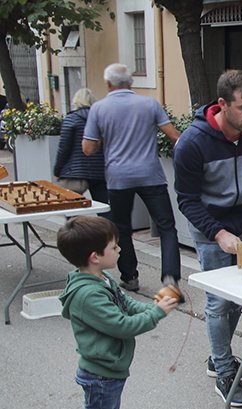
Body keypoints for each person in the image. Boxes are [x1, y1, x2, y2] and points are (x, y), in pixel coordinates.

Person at [173, 69, 242, 407]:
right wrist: (217, 233)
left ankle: (220, 357)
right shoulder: (192, 143)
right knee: (218, 301)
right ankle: (224, 370)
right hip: (209, 228)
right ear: (222, 105)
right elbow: (186, 199)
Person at [57, 215, 179, 409]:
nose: (120, 249)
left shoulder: (102, 278)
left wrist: (154, 306)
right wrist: (156, 314)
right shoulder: (89, 295)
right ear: (95, 257)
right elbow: (122, 325)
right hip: (100, 375)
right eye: (114, 246)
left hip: (111, 371)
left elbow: (127, 305)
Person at [82, 63, 182, 294]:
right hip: (151, 174)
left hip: (118, 178)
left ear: (108, 84)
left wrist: (104, 139)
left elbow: (88, 148)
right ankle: (170, 279)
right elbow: (175, 136)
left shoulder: (99, 108)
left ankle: (130, 277)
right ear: (131, 83)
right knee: (167, 227)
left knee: (122, 229)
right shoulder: (149, 104)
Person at [54, 88, 110, 218]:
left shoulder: (71, 119)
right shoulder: (101, 119)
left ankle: (75, 236)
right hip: (98, 171)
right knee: (105, 208)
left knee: (72, 209)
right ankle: (111, 235)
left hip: (75, 172)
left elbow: (64, 148)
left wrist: (58, 170)